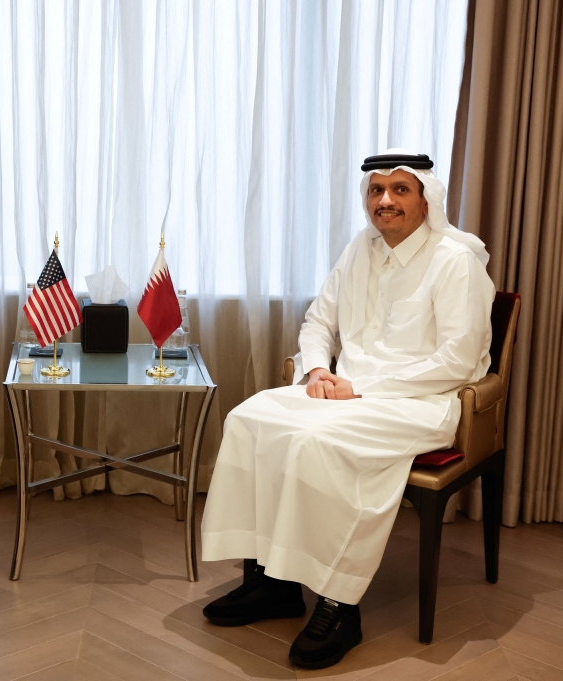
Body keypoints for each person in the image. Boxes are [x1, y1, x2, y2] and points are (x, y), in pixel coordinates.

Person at [200, 150, 494, 669]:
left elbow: (460, 360)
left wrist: (360, 387)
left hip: (419, 402)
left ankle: (340, 605)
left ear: (427, 199)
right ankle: (273, 581)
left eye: (400, 190)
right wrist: (316, 371)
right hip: (344, 392)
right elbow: (318, 321)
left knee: (318, 444)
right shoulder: (359, 249)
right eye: (376, 191)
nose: (385, 201)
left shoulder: (455, 262)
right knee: (249, 419)